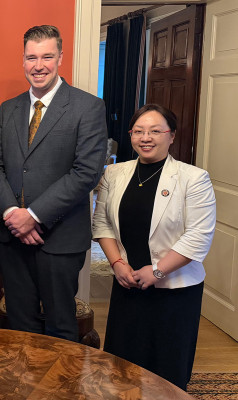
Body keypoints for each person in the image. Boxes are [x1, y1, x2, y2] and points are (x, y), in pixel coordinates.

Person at [0, 25, 107, 341]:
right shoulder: (8, 109)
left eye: (47, 57)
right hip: (13, 240)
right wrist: (13, 214)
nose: (38, 65)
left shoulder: (87, 107)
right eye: (31, 57)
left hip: (60, 240)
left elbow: (86, 172)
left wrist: (33, 216)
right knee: (20, 327)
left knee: (60, 327)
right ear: (23, 60)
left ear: (61, 57)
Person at [92, 104, 216, 390]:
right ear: (131, 135)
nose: (146, 137)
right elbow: (102, 225)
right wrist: (117, 264)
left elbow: (198, 235)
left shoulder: (193, 178)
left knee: (167, 371)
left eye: (155, 131)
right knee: (122, 367)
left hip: (174, 290)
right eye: (138, 131)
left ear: (171, 136)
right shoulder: (113, 173)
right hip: (128, 285)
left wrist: (158, 271)